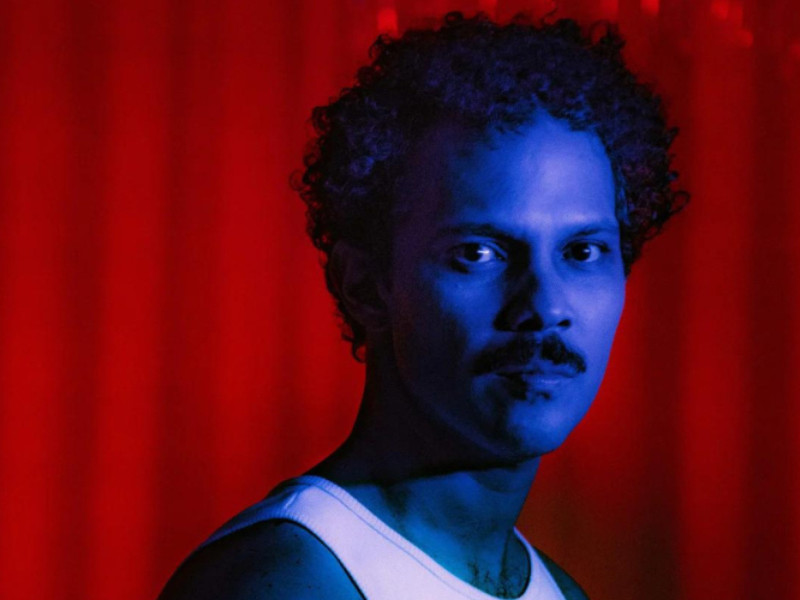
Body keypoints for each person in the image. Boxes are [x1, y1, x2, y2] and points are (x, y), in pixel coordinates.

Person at [159, 12, 686, 600]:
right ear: (365, 285)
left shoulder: (558, 592)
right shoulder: (290, 583)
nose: (545, 306)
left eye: (582, 251)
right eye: (478, 253)